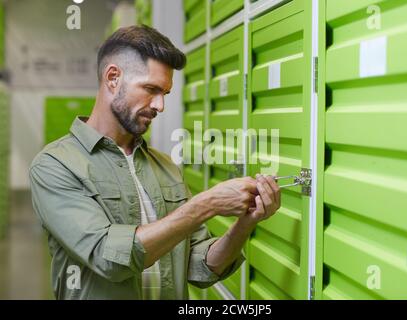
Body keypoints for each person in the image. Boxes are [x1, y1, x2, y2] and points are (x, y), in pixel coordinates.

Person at [29, 25, 281, 300]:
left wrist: (245, 223)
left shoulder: (164, 166)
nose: (160, 106)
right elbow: (108, 257)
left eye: (165, 94)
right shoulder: (55, 165)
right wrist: (206, 204)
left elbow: (200, 267)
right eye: (151, 89)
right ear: (113, 78)